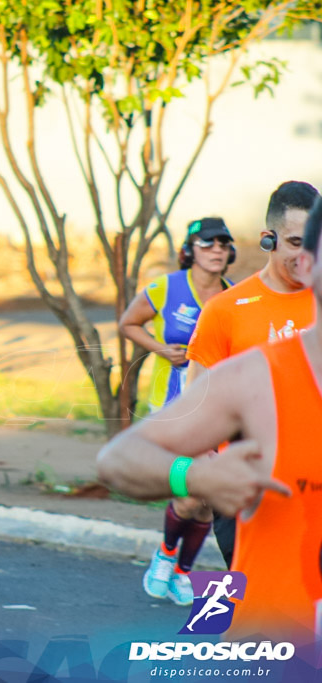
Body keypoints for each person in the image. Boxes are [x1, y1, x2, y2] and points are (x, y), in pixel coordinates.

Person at [96, 194, 322, 644]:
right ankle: (171, 561)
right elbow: (119, 458)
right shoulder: (252, 363)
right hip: (278, 641)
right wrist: (197, 475)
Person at [185, 181, 318, 567]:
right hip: (247, 493)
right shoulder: (227, 310)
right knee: (254, 616)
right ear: (268, 239)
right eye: (295, 242)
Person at [117, 217, 234, 606]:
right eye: (208, 243)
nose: (217, 249)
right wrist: (159, 349)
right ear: (191, 249)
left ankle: (180, 568)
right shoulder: (167, 287)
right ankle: (168, 552)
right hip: (173, 409)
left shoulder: (233, 296)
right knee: (192, 492)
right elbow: (128, 323)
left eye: (223, 243)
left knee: (204, 498)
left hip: (216, 411)